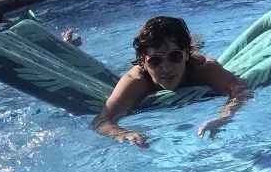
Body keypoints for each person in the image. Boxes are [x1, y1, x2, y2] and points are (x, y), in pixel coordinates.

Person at [91, 17, 250, 148]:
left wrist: (223, 117)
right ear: (142, 63)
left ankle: (194, 42)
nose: (166, 68)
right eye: (155, 61)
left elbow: (239, 90)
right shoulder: (136, 81)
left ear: (187, 55)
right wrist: (122, 133)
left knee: (193, 43)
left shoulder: (201, 67)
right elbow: (101, 121)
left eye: (175, 57)